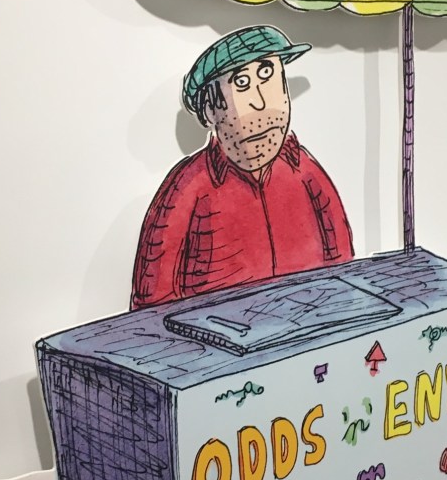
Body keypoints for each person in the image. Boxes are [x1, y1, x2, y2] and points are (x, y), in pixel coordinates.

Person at [131, 25, 354, 309]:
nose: (261, 103)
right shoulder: (187, 189)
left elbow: (345, 273)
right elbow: (150, 307)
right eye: (241, 83)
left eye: (267, 75)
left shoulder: (307, 174)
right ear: (210, 110)